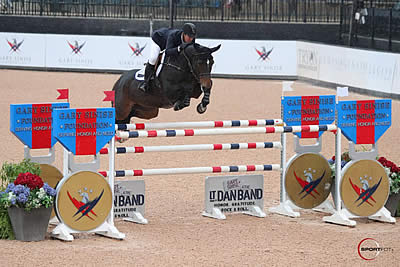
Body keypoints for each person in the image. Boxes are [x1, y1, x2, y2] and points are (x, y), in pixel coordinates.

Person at [139, 23, 197, 92]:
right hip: (159, 40)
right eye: (189, 36)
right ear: (184, 34)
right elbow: (168, 52)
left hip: (169, 43)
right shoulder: (173, 36)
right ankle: (145, 83)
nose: (191, 39)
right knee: (153, 59)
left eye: (192, 37)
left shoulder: (191, 39)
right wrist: (178, 48)